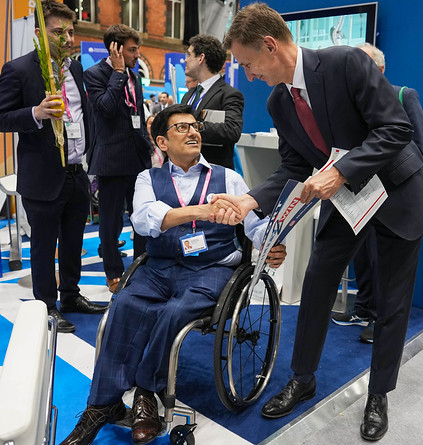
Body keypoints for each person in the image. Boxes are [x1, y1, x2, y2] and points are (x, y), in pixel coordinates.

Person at [220, 4, 423, 441]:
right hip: (348, 201)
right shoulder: (278, 101)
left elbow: (396, 129)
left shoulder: (346, 64)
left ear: (270, 45)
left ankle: (379, 393)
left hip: (397, 194)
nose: (247, 75)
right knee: (318, 279)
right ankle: (303, 379)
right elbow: (292, 166)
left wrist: (341, 170)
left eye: (247, 64)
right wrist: (249, 199)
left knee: (392, 300)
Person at [59, 104, 287, 445]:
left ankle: (145, 395)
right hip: (160, 266)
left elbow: (254, 224)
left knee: (176, 312)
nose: (194, 132)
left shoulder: (229, 177)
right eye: (182, 128)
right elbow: (145, 219)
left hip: (212, 267)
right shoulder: (147, 179)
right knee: (122, 306)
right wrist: (201, 210)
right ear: (162, 142)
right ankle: (101, 405)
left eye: (195, 126)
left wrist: (270, 244)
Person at [0, 0, 106, 333]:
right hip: (43, 176)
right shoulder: (18, 70)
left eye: (71, 31)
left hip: (76, 172)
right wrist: (35, 113)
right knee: (44, 247)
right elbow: (2, 117)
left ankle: (71, 295)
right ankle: (46, 306)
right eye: (57, 32)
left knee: (74, 241)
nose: (67, 38)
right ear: (38, 35)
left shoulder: (74, 69)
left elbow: (82, 113)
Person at [331, 42, 423, 344]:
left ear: (380, 69)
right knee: (362, 255)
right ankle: (362, 307)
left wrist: (413, 191)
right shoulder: (348, 101)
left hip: (395, 195)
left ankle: (379, 317)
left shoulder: (403, 94)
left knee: (383, 260)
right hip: (360, 192)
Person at [84, 24, 153, 293]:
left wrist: (147, 146)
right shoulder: (95, 74)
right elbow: (106, 109)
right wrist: (118, 73)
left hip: (137, 158)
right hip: (111, 161)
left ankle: (140, 267)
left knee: (141, 219)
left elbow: (137, 115)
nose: (137, 55)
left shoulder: (135, 77)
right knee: (111, 223)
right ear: (115, 48)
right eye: (133, 50)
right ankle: (113, 272)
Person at [181, 34, 244, 169]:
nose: (185, 60)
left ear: (201, 58)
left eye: (189, 55)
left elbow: (232, 130)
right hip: (186, 171)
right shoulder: (189, 95)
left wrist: (194, 127)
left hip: (214, 172)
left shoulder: (229, 94)